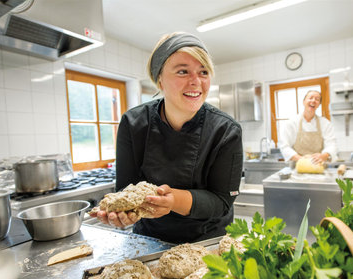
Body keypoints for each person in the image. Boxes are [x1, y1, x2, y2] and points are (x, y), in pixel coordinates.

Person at [91, 32, 243, 244]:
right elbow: (125, 189)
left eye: (204, 72)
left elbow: (222, 201)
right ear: (159, 79)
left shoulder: (226, 130)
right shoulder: (134, 123)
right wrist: (122, 214)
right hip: (148, 241)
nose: (196, 81)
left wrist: (173, 201)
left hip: (207, 241)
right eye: (183, 71)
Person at [279, 90, 337, 164]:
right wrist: (301, 159)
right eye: (310, 98)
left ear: (319, 104)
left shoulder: (325, 123)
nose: (313, 101)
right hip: (297, 166)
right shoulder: (291, 123)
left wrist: (323, 156)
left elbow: (331, 144)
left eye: (317, 99)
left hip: (318, 166)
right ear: (304, 101)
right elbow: (284, 146)